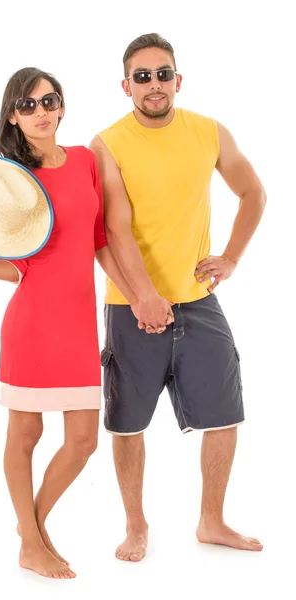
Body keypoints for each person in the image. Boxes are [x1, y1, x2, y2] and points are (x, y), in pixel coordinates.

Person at [90, 33, 266, 562]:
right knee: (127, 422)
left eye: (162, 73)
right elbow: (115, 229)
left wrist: (231, 257)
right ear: (126, 86)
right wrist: (142, 296)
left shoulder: (208, 132)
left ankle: (211, 521)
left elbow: (253, 192)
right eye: (142, 76)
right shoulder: (107, 144)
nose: (154, 84)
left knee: (225, 414)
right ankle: (136, 525)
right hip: (130, 305)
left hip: (196, 299)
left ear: (177, 80)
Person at [0, 67, 138, 579]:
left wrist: (136, 294)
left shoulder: (84, 160)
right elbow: (19, 262)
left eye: (49, 101)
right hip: (32, 322)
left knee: (83, 439)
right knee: (26, 432)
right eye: (28, 105)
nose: (41, 112)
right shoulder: (13, 179)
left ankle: (29, 532)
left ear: (62, 106)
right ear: (13, 116)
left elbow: (99, 238)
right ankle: (33, 540)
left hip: (79, 323)